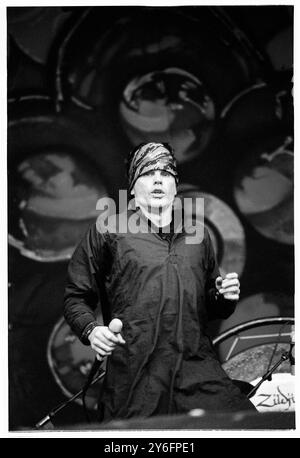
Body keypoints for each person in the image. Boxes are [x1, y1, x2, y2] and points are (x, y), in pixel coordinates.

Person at [64, 142, 256, 422]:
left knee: (252, 428)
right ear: (132, 186)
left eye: (166, 173)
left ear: (175, 186)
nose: (157, 179)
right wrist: (92, 330)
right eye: (147, 172)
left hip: (197, 372)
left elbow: (211, 307)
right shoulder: (108, 230)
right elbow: (75, 297)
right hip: (135, 379)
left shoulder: (197, 235)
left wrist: (223, 296)